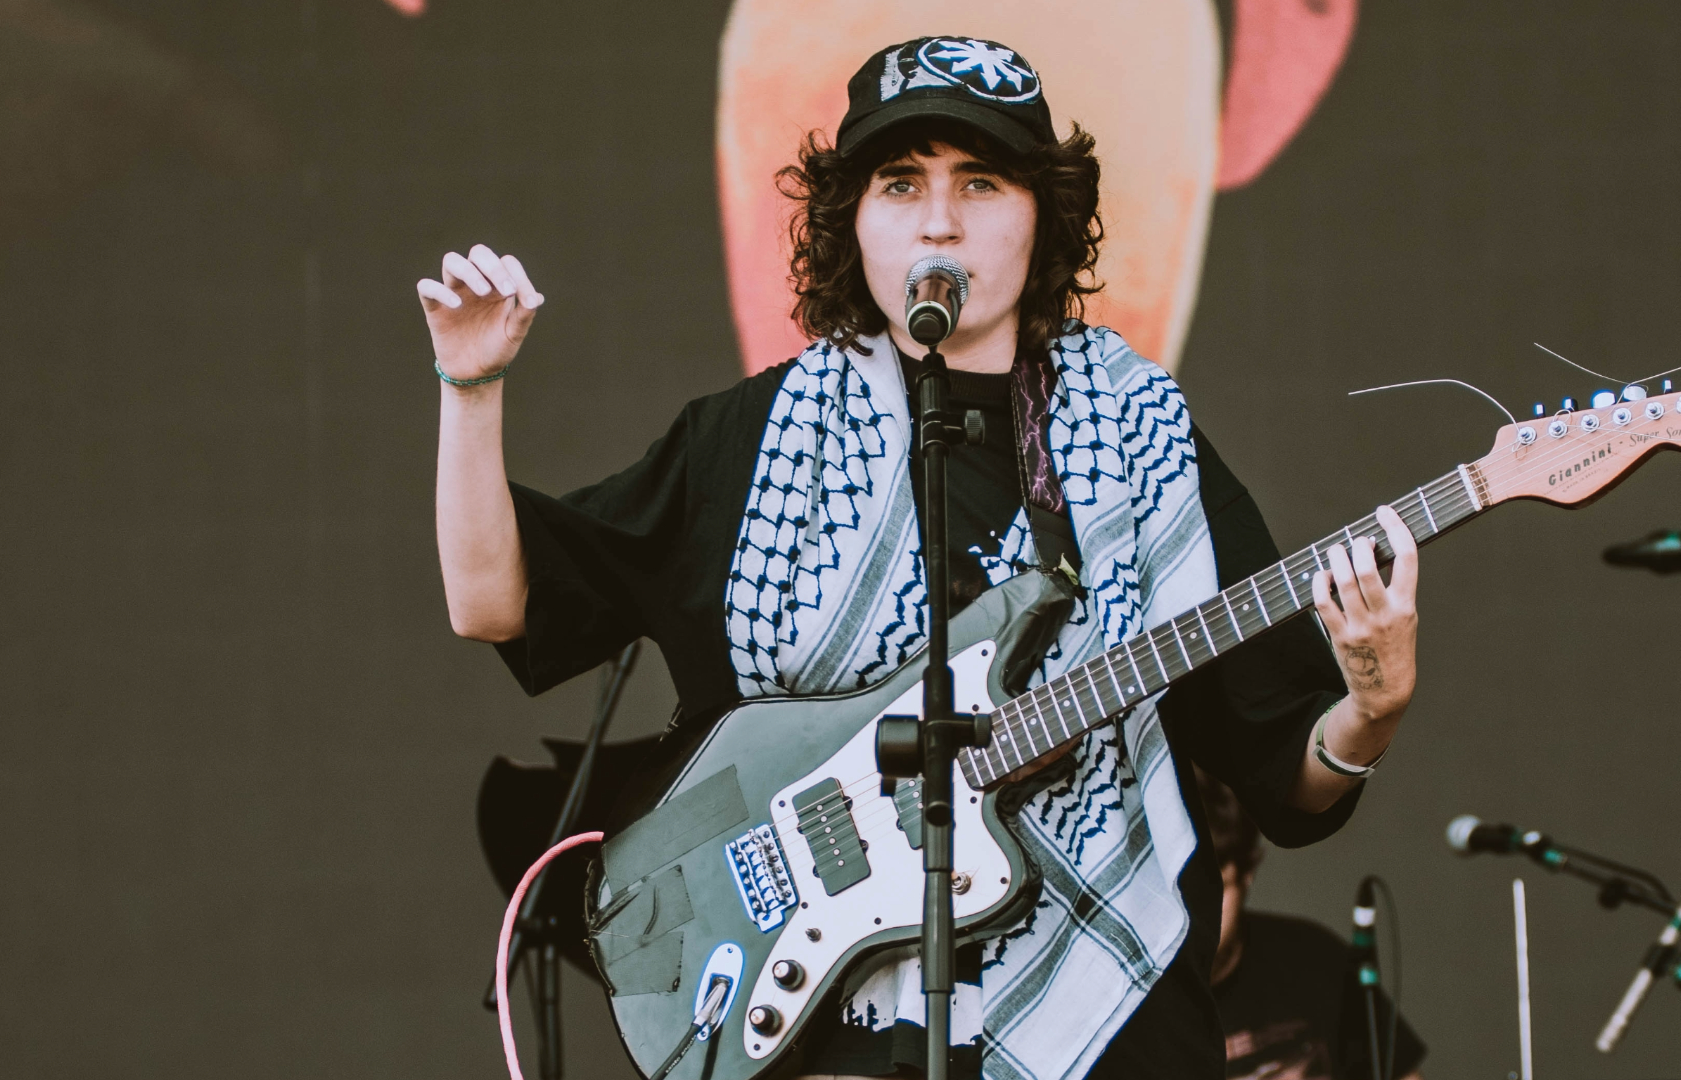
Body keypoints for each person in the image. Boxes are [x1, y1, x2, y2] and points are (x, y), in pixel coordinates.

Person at [421, 35, 1421, 1080]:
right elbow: (494, 602)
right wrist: (471, 390)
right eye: (901, 183)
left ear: (1045, 218)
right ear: (852, 220)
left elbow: (1286, 769)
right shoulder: (754, 442)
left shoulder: (1141, 441)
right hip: (824, 1036)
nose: (939, 219)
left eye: (980, 182)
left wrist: (1372, 709)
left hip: (1108, 1030)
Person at [1196, 768, 1426, 1080]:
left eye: (1212, 891)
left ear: (1247, 874)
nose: (1193, 912)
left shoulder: (1316, 959)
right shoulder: (1123, 995)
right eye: (1178, 891)